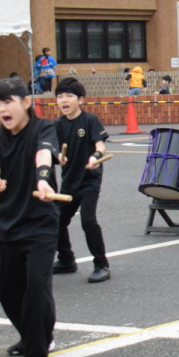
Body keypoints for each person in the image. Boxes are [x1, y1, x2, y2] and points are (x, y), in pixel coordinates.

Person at [0, 76, 60, 357]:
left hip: (41, 222)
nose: (2, 109)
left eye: (8, 102)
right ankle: (33, 334)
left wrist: (43, 178)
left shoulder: (43, 128)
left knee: (37, 287)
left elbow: (44, 155)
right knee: (8, 290)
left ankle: (37, 353)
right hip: (8, 223)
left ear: (27, 103)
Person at [51, 77, 111, 284]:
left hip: (89, 181)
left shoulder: (90, 120)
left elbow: (100, 146)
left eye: (69, 96)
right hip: (69, 182)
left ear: (81, 100)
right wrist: (56, 156)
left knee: (88, 220)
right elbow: (51, 150)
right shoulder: (57, 125)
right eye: (59, 96)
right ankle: (67, 259)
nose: (63, 100)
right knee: (56, 221)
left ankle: (101, 264)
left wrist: (95, 157)